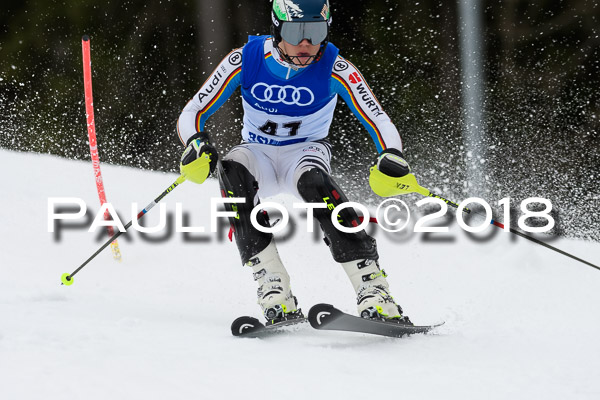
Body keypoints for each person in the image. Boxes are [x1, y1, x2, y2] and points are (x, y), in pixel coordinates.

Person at [177, 0, 412, 325]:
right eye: (296, 32)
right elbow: (193, 111)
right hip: (257, 151)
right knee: (230, 169)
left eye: (315, 32)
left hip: (304, 154)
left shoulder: (335, 67)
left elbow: (378, 119)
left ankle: (373, 289)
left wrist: (391, 154)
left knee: (315, 183)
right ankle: (273, 286)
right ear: (276, 29)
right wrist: (195, 143)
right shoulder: (245, 59)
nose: (306, 44)